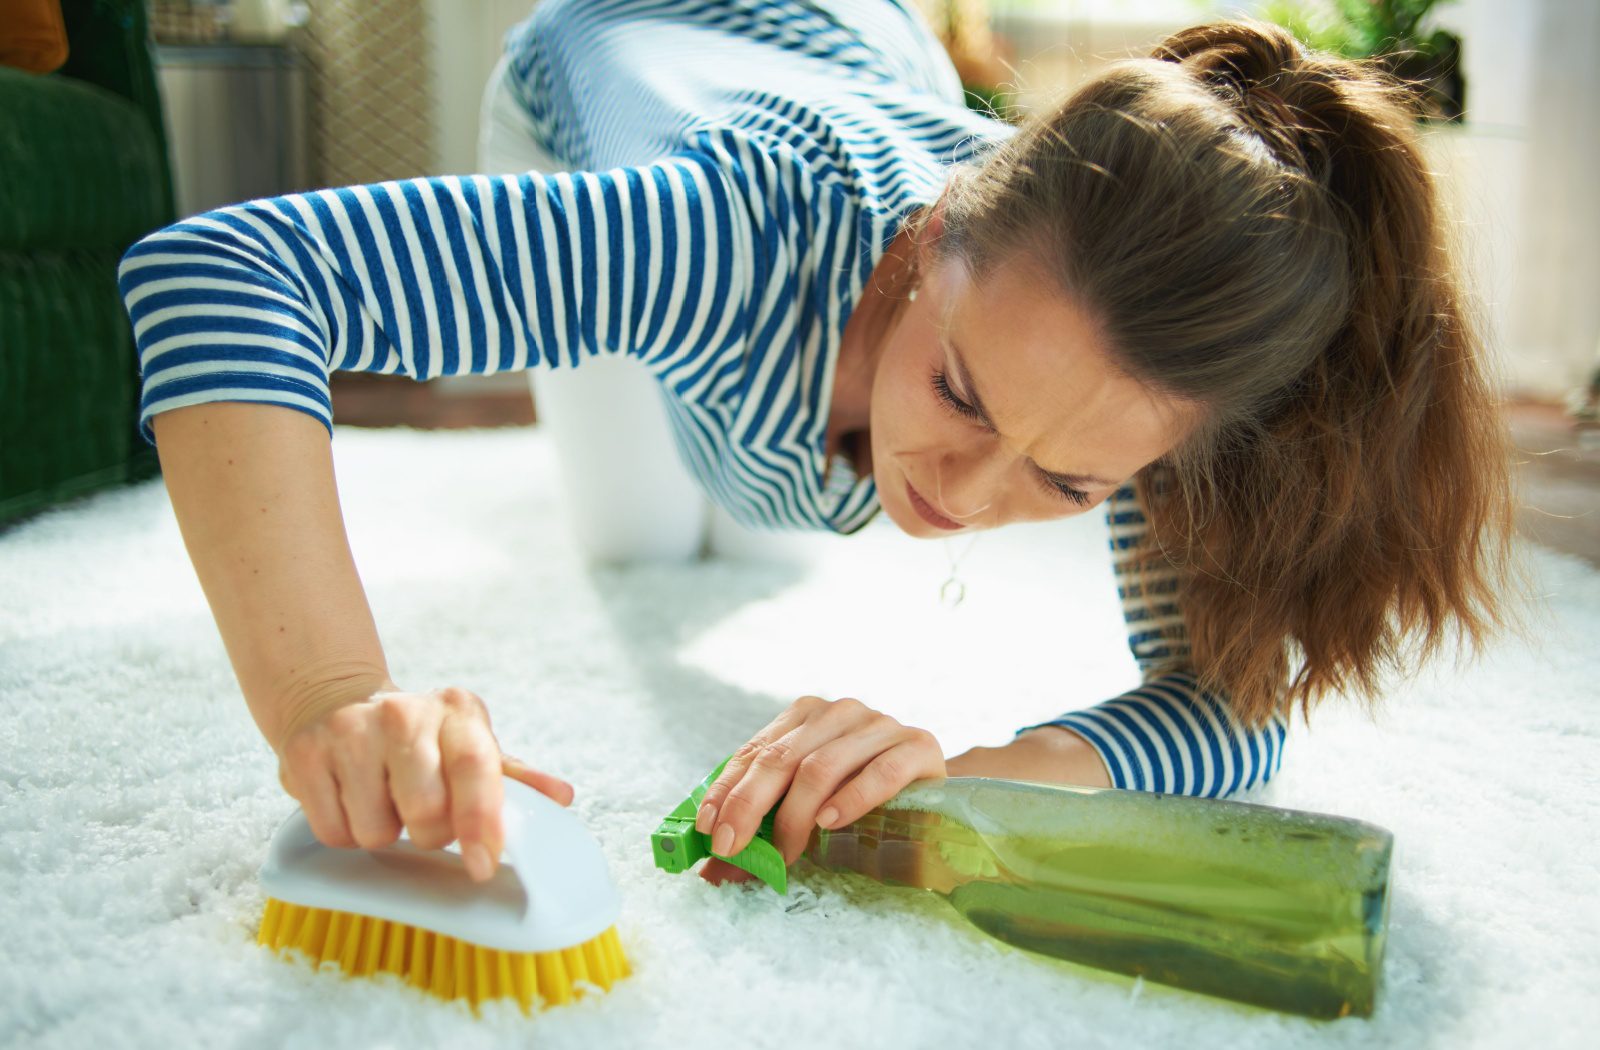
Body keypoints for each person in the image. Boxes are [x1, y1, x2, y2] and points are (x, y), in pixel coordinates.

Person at [116, 1, 1514, 888]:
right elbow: (220, 277)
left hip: (866, 37)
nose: (963, 498)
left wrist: (964, 773)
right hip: (607, 70)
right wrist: (330, 696)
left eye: (1068, 481)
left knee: (770, 508)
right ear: (923, 245)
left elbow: (1234, 713)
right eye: (963, 392)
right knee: (650, 541)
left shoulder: (1133, 372)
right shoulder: (709, 239)